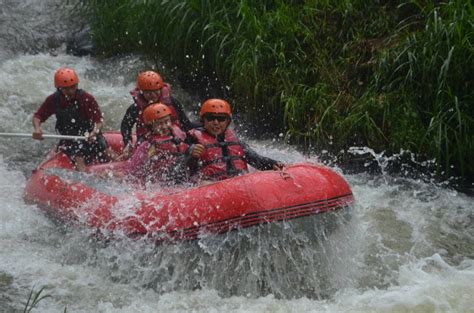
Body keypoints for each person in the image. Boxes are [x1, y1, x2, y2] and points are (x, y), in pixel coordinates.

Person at [32, 67, 116, 171]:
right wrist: (37, 128)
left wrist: (94, 132)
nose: (70, 91)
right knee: (79, 160)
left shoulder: (87, 98)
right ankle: (89, 180)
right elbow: (38, 116)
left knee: (109, 153)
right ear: (59, 88)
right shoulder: (53, 100)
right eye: (66, 88)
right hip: (70, 139)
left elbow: (98, 121)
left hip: (90, 134)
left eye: (73, 87)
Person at [187, 98, 285, 181]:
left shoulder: (235, 140)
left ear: (227, 121)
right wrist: (191, 154)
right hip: (210, 186)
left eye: (221, 119)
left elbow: (256, 159)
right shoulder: (193, 139)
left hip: (238, 185)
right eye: (210, 118)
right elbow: (183, 166)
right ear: (203, 120)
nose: (216, 122)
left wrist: (273, 164)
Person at [119, 70, 195, 159]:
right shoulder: (135, 109)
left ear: (161, 89)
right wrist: (128, 143)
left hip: (174, 137)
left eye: (156, 91)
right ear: (141, 92)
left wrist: (192, 140)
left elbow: (185, 122)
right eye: (148, 92)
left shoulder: (172, 102)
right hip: (148, 141)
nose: (153, 95)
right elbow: (125, 126)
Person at [121, 102, 198, 185]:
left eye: (166, 122)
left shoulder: (180, 136)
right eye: (159, 124)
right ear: (151, 127)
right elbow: (133, 168)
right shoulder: (148, 145)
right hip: (161, 181)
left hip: (179, 176)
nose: (164, 126)